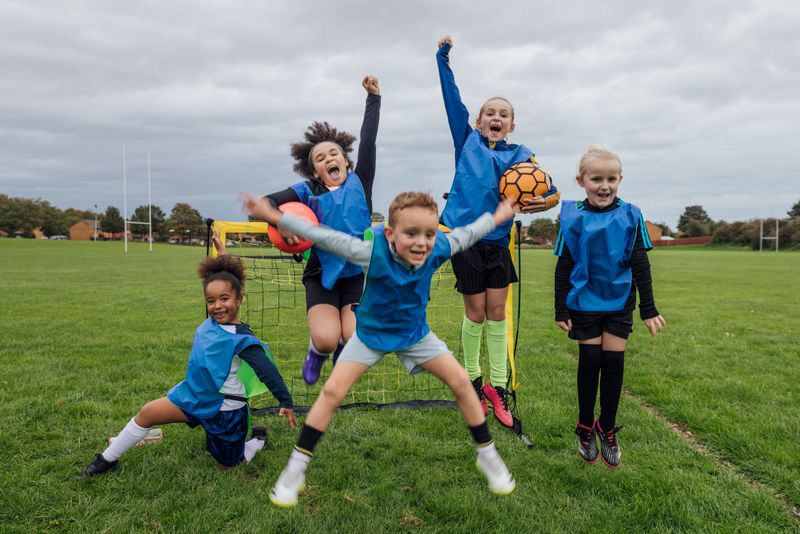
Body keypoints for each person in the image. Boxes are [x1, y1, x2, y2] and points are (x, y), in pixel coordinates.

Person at [241, 190, 519, 507]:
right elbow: (321, 235)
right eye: (411, 233)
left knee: (460, 382)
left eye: (429, 233)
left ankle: (487, 455)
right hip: (370, 335)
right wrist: (275, 216)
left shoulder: (439, 247)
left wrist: (498, 216)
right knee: (332, 392)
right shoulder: (369, 252)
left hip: (415, 335)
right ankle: (296, 468)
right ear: (390, 234)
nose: (421, 242)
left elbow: (470, 233)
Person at [436, 35, 560, 428]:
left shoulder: (522, 155)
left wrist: (548, 202)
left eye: (503, 113)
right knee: (475, 314)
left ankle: (498, 388)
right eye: (489, 112)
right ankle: (472, 383)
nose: (496, 117)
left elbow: (551, 188)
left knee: (497, 313)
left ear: (511, 123)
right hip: (465, 239)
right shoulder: (467, 140)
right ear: (478, 121)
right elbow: (450, 99)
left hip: (498, 243)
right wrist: (443, 58)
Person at [80, 254, 296, 476]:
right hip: (193, 396)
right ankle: (106, 460)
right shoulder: (212, 322)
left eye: (224, 299)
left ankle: (257, 441)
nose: (217, 306)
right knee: (147, 412)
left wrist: (286, 401)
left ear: (239, 299)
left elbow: (268, 372)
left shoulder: (243, 341)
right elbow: (219, 282)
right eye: (211, 301)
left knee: (229, 466)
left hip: (224, 410)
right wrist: (221, 256)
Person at [263, 75, 381, 386]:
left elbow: (369, 140)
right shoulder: (307, 191)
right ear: (315, 169)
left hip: (355, 274)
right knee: (327, 339)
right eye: (320, 157)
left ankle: (344, 349)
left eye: (334, 154)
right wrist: (278, 220)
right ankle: (318, 352)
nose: (329, 158)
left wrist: (373, 98)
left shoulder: (361, 181)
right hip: (322, 274)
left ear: (345, 160)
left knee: (356, 339)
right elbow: (266, 202)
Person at [553, 145, 666, 468]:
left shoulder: (631, 214)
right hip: (585, 301)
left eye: (612, 179)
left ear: (620, 180)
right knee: (590, 360)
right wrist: (560, 309)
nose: (605, 186)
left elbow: (640, 265)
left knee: (613, 364)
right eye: (596, 179)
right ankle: (586, 426)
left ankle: (608, 427)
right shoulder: (572, 216)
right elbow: (564, 265)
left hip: (618, 301)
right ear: (581, 180)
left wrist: (649, 308)